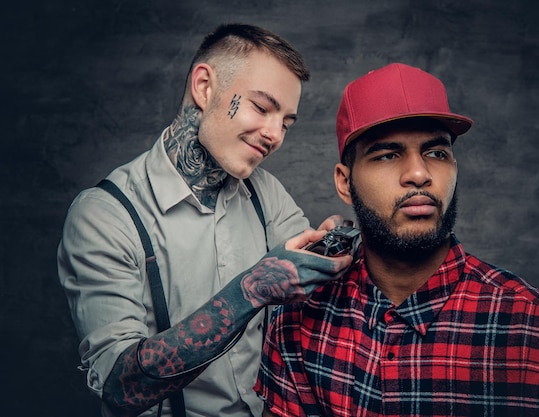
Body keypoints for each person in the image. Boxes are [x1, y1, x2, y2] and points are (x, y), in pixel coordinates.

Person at [255, 63, 539, 416]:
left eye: (436, 153)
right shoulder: (299, 322)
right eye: (387, 155)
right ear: (344, 182)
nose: (419, 173)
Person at [57, 23, 353, 417]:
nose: (274, 134)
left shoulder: (265, 192)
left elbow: (312, 295)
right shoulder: (104, 215)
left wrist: (330, 250)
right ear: (204, 86)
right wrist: (250, 291)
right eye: (262, 108)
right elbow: (120, 387)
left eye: (285, 122)